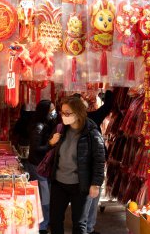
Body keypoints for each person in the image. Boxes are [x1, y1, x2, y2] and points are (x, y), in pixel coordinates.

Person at [49, 96, 106, 234]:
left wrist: (96, 184)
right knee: (55, 220)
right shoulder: (61, 129)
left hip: (80, 186)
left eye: (67, 113)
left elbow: (99, 160)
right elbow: (51, 151)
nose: (64, 116)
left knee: (79, 224)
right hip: (59, 182)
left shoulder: (92, 132)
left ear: (78, 113)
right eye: (62, 112)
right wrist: (51, 142)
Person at [25, 99, 57, 234]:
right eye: (51, 110)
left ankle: (44, 223)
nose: (54, 113)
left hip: (42, 166)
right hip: (37, 165)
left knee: (45, 195)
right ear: (45, 112)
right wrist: (50, 144)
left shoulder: (45, 124)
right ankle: (42, 226)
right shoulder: (39, 126)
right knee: (44, 197)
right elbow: (36, 148)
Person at [85, 90, 113, 234]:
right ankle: (87, 227)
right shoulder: (93, 118)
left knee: (87, 198)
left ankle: (86, 227)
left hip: (82, 166)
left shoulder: (70, 121)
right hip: (91, 165)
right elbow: (108, 106)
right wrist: (109, 90)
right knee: (90, 197)